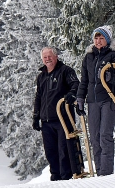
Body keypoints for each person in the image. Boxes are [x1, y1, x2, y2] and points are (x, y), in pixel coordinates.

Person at [76, 26, 115, 176]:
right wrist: (80, 98)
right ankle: (99, 173)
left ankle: (106, 173)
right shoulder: (89, 57)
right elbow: (84, 80)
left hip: (108, 100)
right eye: (96, 38)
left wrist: (110, 76)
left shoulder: (114, 56)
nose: (98, 41)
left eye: (101, 38)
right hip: (92, 101)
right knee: (95, 137)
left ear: (107, 39)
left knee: (105, 135)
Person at [32, 47, 84, 180]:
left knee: (64, 150)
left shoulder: (65, 71)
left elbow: (75, 84)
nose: (47, 59)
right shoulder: (41, 76)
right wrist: (36, 116)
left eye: (50, 56)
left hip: (63, 118)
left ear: (56, 57)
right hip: (46, 120)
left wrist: (72, 93)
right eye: (45, 57)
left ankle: (67, 178)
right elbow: (39, 97)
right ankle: (55, 178)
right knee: (51, 152)